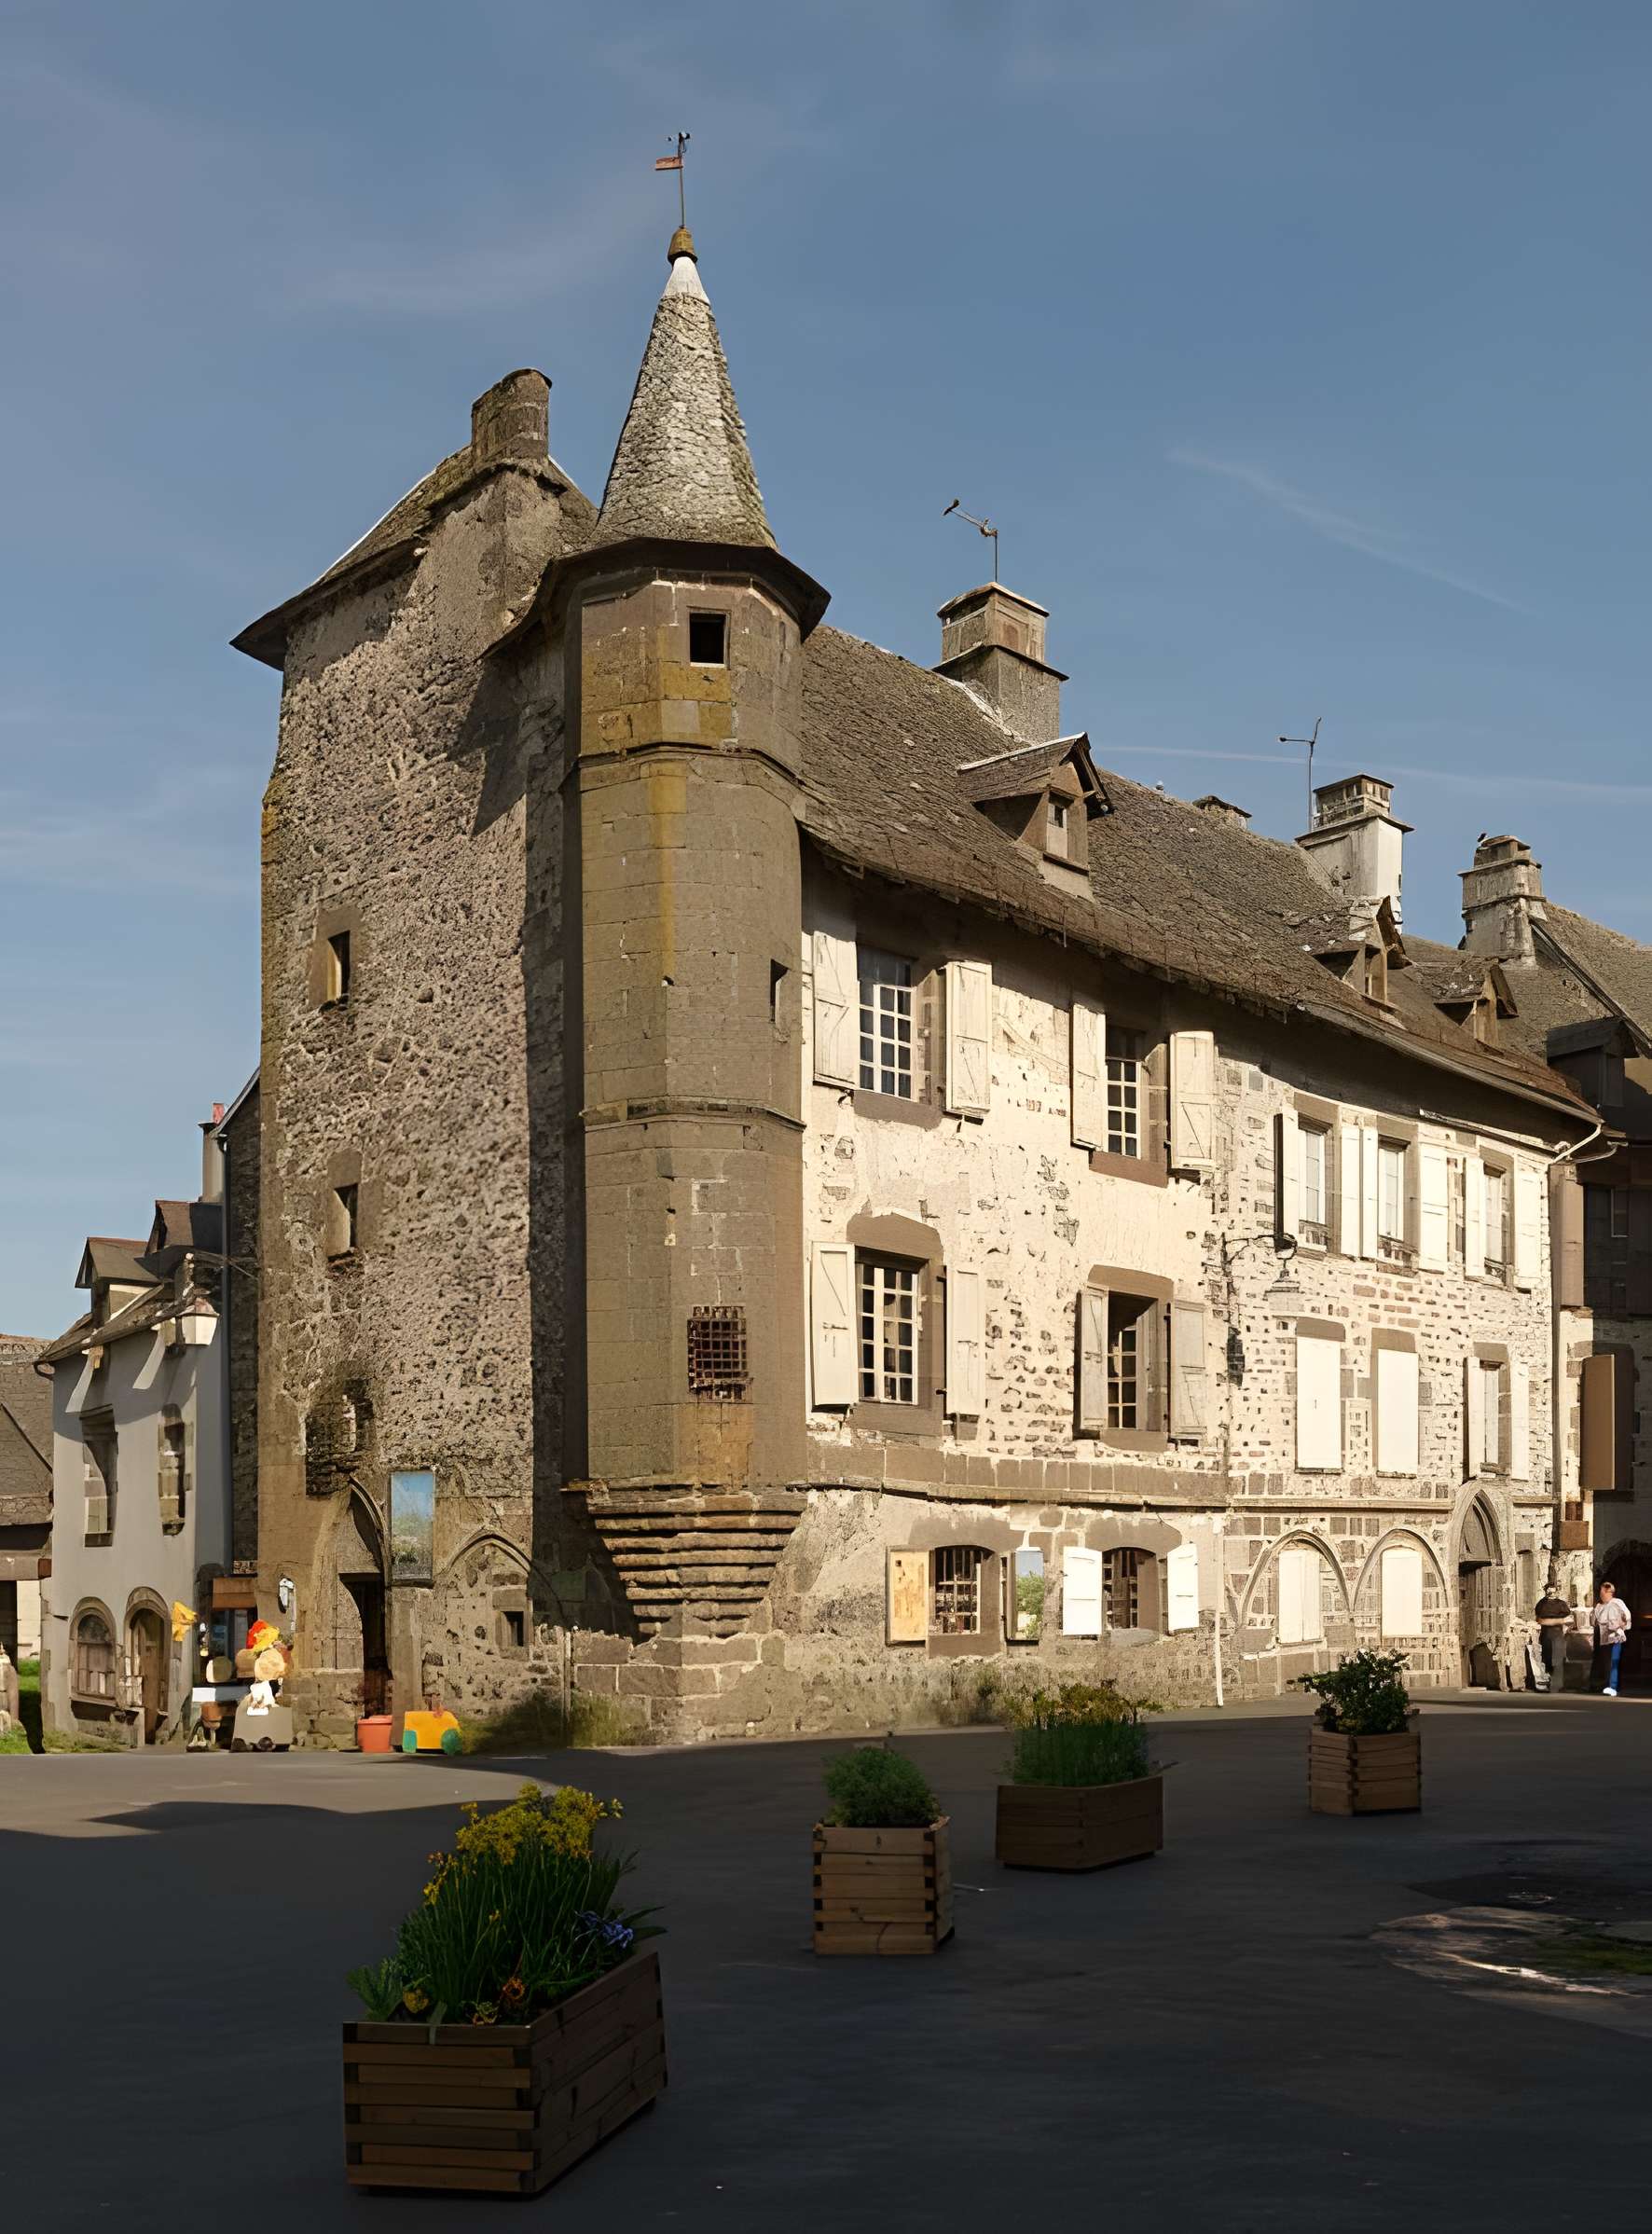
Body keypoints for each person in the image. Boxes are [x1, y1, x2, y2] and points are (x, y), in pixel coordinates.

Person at [1590, 1579, 1631, 1697]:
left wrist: (1621, 1625)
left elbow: (1627, 1616)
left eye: (1604, 1592)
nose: (1601, 1594)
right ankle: (1605, 1684)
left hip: (1615, 1636)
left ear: (1610, 1592)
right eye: (1601, 1592)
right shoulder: (1599, 1606)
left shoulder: (1617, 1602)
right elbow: (1593, 1621)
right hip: (1603, 1636)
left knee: (1613, 1661)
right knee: (1605, 1662)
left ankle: (1613, 1686)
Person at [1534, 1579, 1572, 1689]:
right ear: (1546, 1591)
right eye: (1549, 1592)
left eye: (1553, 1592)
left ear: (1557, 1592)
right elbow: (1539, 1619)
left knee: (1558, 1656)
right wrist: (1550, 1622)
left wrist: (1554, 1622)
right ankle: (1551, 1678)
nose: (1551, 1594)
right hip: (1546, 1634)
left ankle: (1559, 1680)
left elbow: (1568, 1618)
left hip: (1558, 1633)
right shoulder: (1541, 1604)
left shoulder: (1561, 1604)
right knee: (1548, 1657)